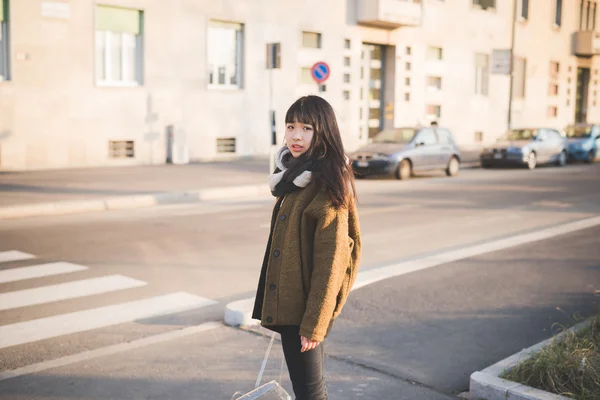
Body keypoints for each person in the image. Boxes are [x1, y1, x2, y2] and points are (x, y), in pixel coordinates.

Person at [252, 95, 361, 400]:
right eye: (291, 126)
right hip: (295, 307)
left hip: (305, 312)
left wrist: (314, 323)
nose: (296, 135)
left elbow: (332, 261)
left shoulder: (325, 184)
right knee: (307, 390)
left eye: (307, 128)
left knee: (311, 393)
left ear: (323, 132)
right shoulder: (294, 178)